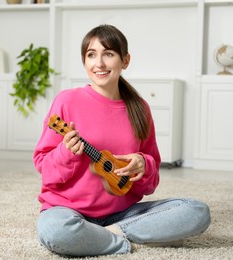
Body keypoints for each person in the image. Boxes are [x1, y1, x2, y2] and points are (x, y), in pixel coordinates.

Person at [33, 24, 210, 257]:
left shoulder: (140, 109)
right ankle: (129, 241)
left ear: (125, 60)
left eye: (109, 54)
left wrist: (143, 164)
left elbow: (150, 182)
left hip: (124, 213)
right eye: (91, 55)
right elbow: (44, 167)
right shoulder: (66, 101)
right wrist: (66, 153)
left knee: (197, 212)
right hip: (68, 211)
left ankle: (106, 235)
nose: (99, 63)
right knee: (56, 231)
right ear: (84, 62)